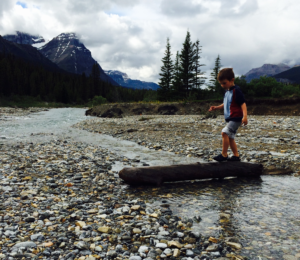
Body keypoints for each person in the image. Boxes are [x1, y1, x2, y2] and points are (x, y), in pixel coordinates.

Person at [209, 68, 248, 162]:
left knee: (224, 133)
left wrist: (245, 116)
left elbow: (243, 103)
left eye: (224, 83)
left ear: (232, 80)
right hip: (231, 118)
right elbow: (226, 104)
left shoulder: (236, 91)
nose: (222, 85)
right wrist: (217, 107)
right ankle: (236, 156)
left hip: (236, 117)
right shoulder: (227, 92)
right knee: (230, 137)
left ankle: (224, 154)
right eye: (221, 83)